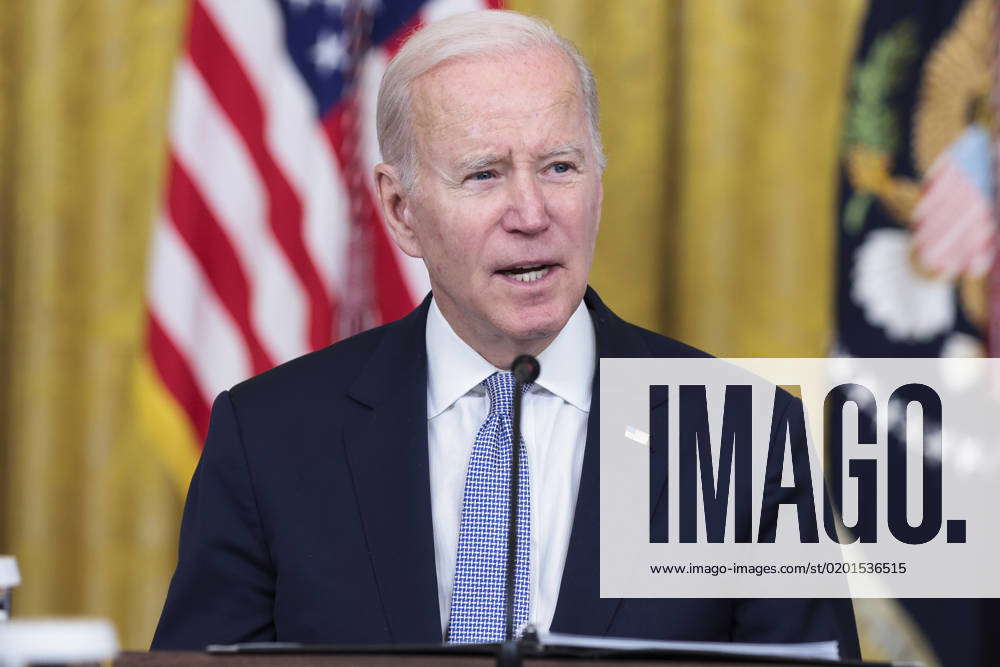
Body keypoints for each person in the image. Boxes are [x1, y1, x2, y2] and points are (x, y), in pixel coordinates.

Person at [152, 9, 860, 657]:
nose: (531, 212)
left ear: (598, 187)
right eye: (485, 174)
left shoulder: (746, 432)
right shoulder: (268, 437)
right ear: (400, 211)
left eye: (559, 167)